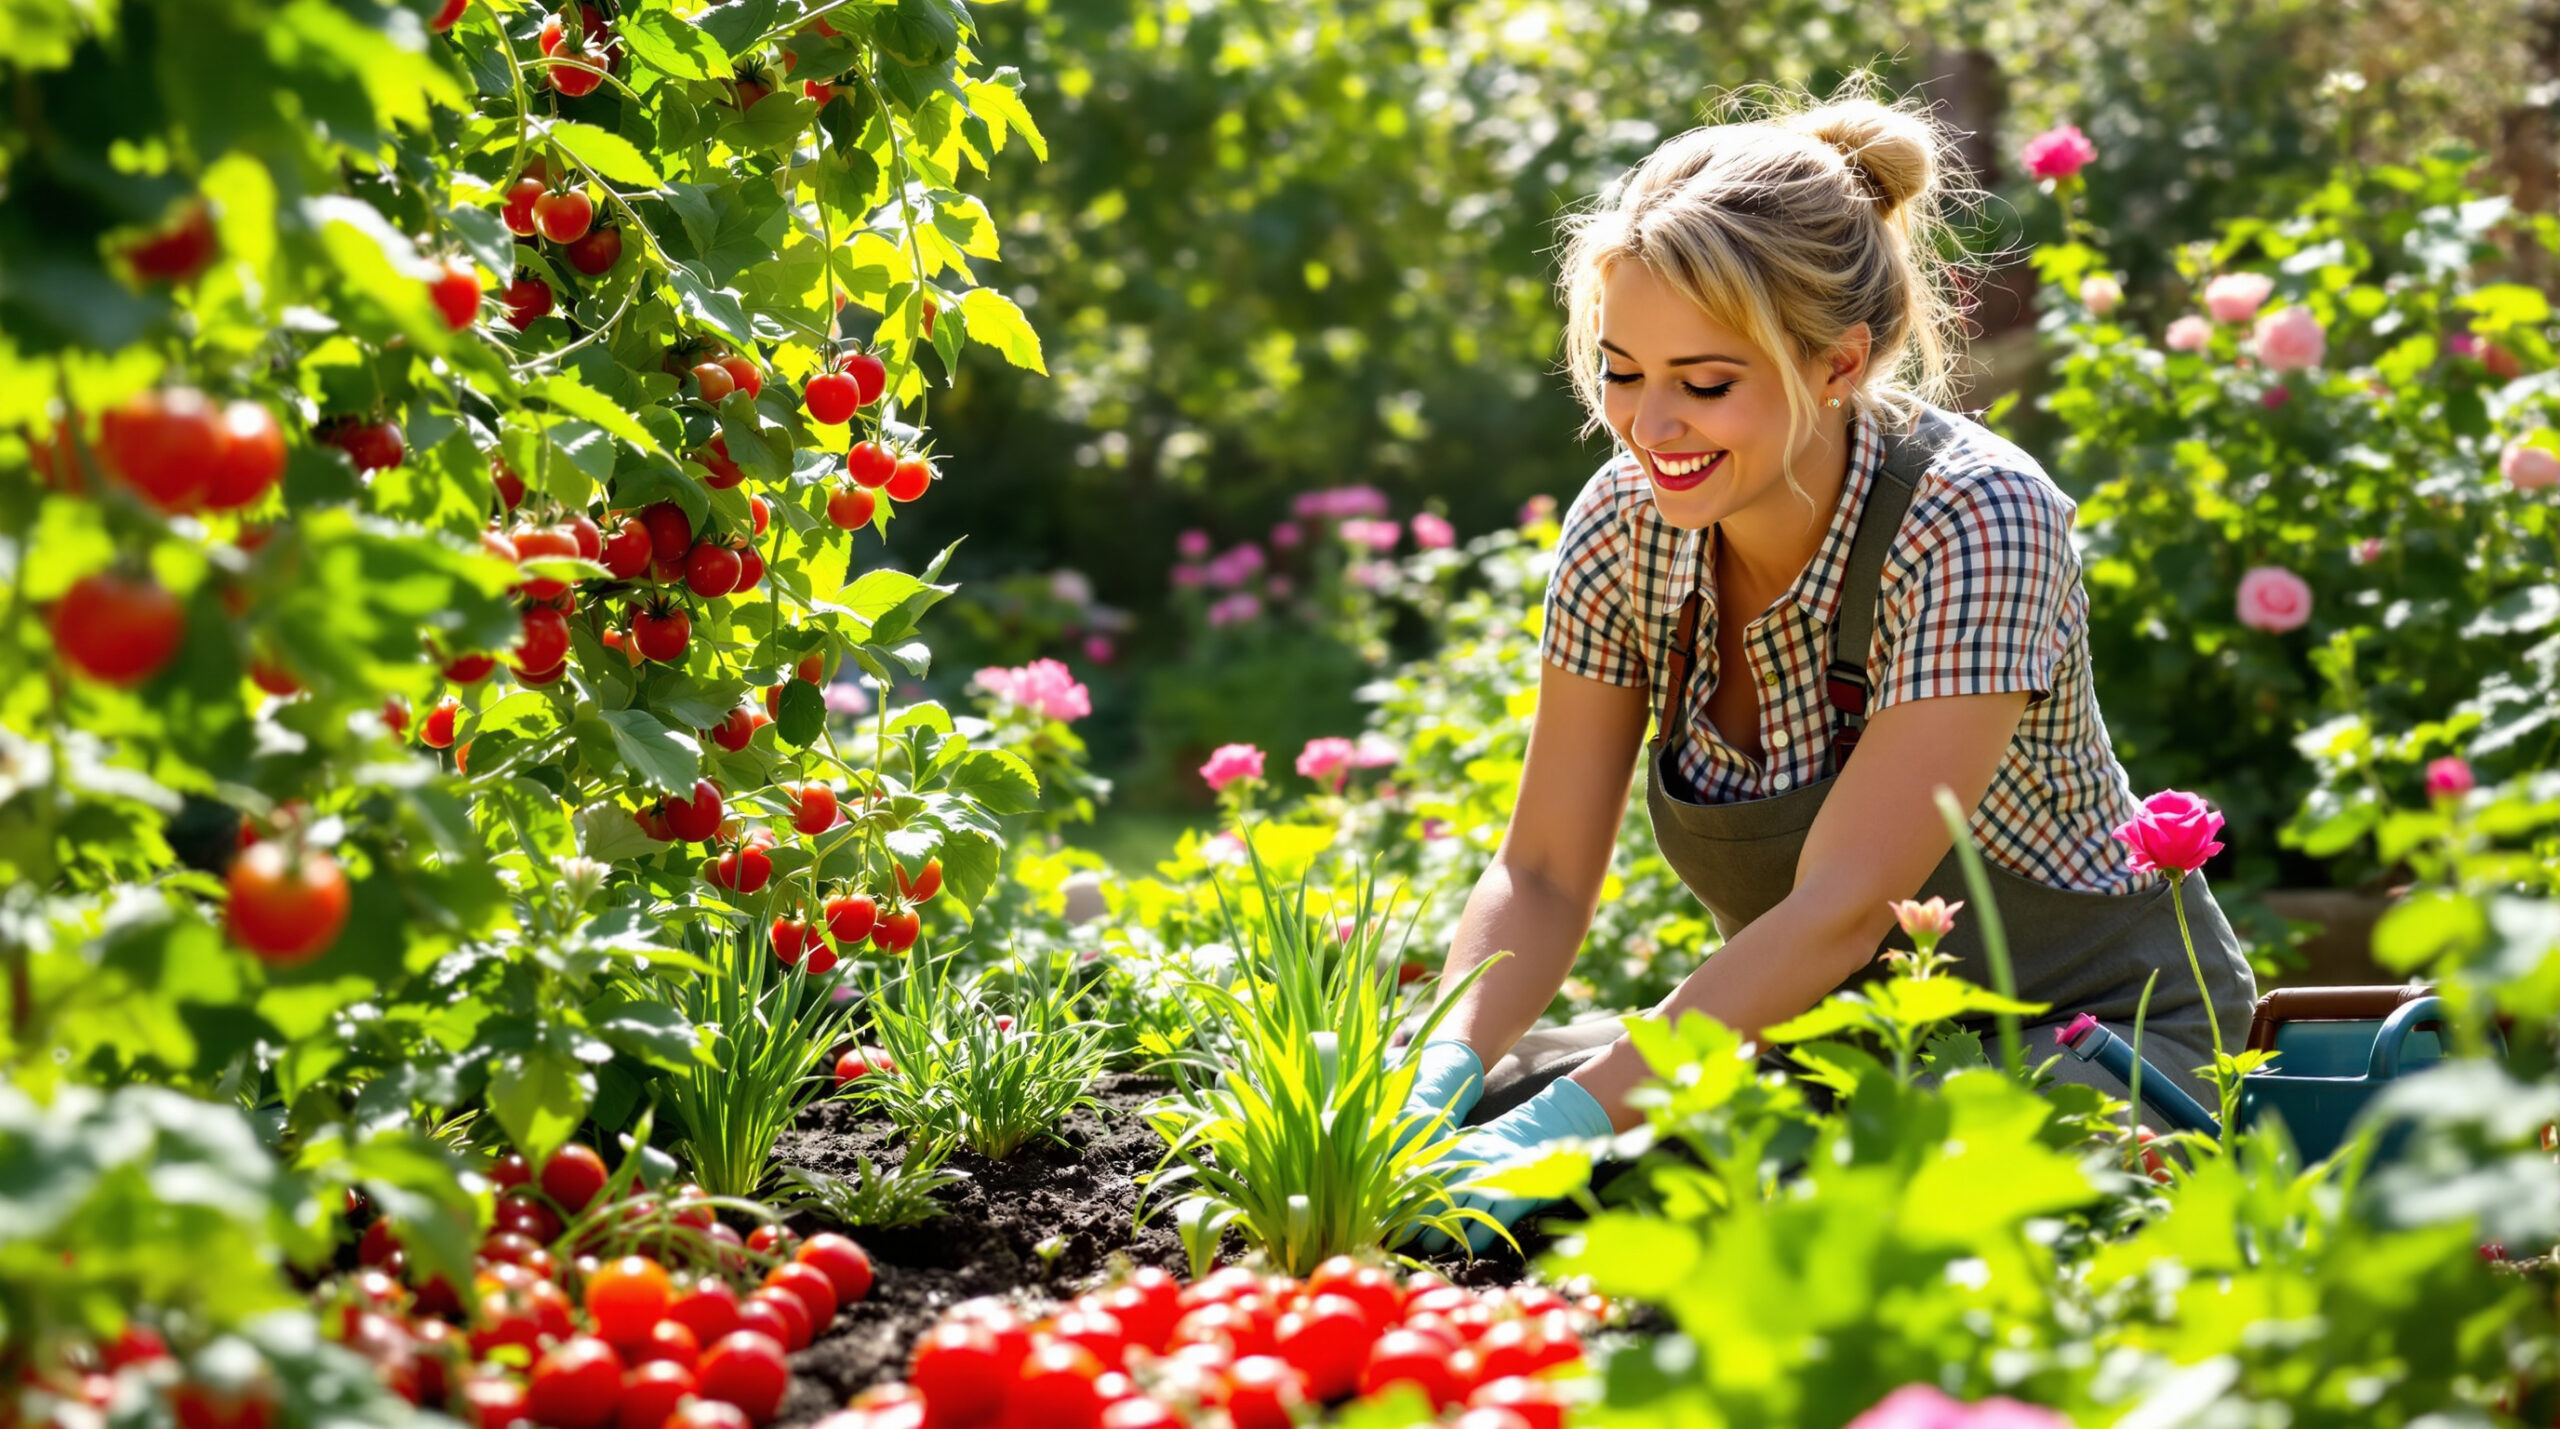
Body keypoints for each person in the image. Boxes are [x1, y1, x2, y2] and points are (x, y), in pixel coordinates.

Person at [1398, 82, 2259, 1251]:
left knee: (1896, 1219)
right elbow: (1545, 870)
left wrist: (1570, 1123)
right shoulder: (1624, 526)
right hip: (1809, 1045)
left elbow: (1849, 909)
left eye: (1705, 384)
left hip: (2084, 1045)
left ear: (1840, 362)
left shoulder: (1974, 518)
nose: (1651, 427)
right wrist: (1444, 1068)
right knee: (1475, 1134)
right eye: (1620, 371)